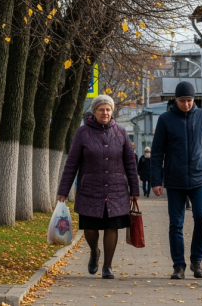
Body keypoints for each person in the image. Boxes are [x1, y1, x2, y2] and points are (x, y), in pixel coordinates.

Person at [150, 81, 202, 280]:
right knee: (176, 223)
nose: (186, 104)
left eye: (190, 100)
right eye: (183, 101)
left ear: (195, 100)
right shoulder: (166, 119)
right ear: (176, 100)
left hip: (200, 177)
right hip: (174, 179)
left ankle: (196, 261)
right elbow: (157, 151)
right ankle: (178, 266)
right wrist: (156, 180)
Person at [57, 95, 139, 279]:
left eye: (108, 109)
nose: (105, 112)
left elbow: (130, 163)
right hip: (90, 189)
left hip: (116, 189)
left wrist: (135, 190)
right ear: (94, 112)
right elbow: (72, 163)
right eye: (101, 109)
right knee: (90, 229)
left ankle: (107, 267)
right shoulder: (83, 132)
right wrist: (63, 190)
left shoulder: (120, 132)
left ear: (112, 111)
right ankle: (94, 252)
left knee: (112, 227)